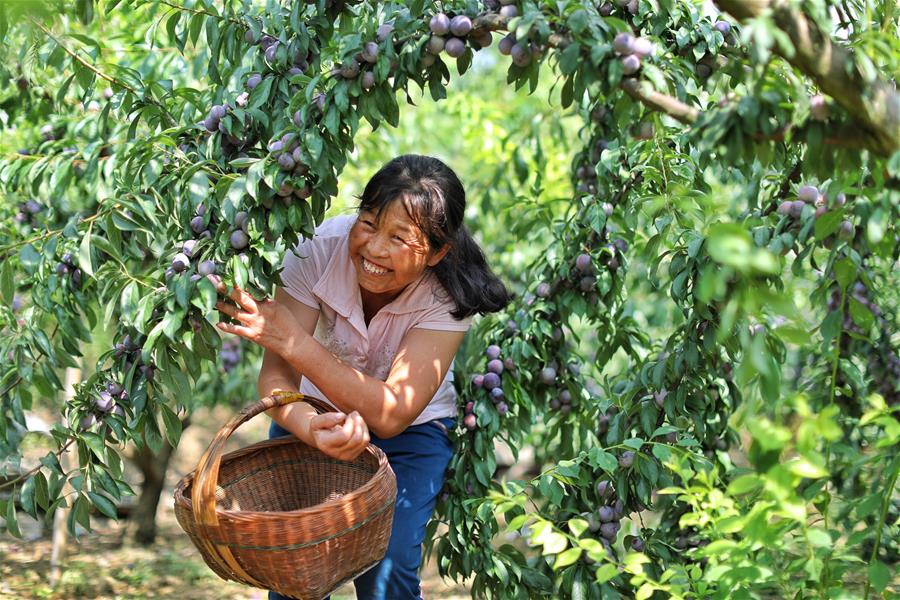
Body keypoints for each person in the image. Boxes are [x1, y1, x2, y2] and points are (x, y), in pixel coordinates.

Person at [213, 154, 510, 599]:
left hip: (412, 433)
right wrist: (310, 427)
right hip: (313, 413)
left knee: (385, 566)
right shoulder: (316, 249)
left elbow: (392, 415)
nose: (374, 249)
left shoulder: (449, 295)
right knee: (296, 566)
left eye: (399, 238)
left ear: (437, 252)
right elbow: (276, 378)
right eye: (368, 223)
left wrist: (294, 341)